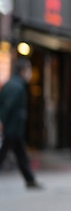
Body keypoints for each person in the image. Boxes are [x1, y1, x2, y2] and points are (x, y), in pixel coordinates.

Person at [0, 58, 42, 189]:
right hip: (12, 127)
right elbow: (8, 106)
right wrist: (2, 121)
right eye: (28, 70)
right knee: (4, 153)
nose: (30, 73)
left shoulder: (10, 84)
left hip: (13, 128)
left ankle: (30, 179)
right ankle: (30, 179)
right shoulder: (17, 87)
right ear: (23, 71)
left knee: (20, 153)